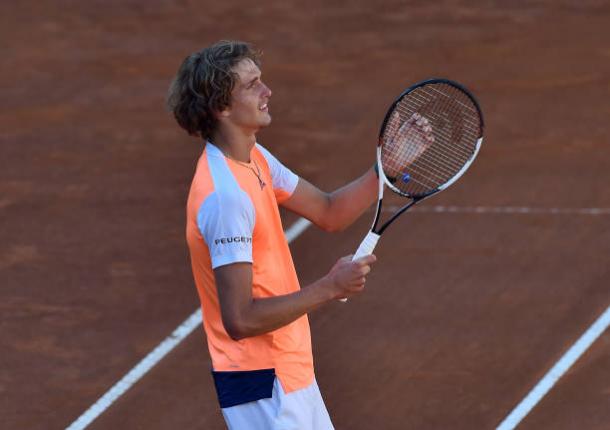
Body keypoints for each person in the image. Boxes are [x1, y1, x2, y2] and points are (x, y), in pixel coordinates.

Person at [166, 40, 379, 430]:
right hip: (263, 384)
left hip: (288, 372)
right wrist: (331, 287)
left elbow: (330, 212)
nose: (267, 92)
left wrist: (387, 169)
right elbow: (240, 318)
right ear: (222, 107)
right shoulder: (225, 198)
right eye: (252, 85)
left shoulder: (255, 159)